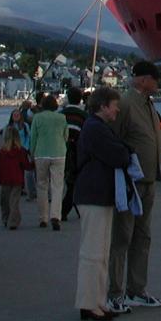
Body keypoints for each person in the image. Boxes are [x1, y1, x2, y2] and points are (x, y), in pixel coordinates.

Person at [107, 62, 161, 313]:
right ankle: (114, 293)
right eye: (154, 79)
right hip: (131, 181)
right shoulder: (126, 104)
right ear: (142, 80)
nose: (158, 83)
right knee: (122, 236)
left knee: (143, 237)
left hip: (149, 181)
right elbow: (113, 138)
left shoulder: (149, 104)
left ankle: (136, 290)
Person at [74, 86, 130, 321]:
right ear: (103, 106)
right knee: (93, 252)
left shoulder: (96, 127)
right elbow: (120, 155)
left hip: (100, 196)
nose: (117, 109)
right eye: (115, 105)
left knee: (100, 252)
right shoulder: (96, 129)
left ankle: (97, 300)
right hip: (94, 196)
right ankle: (89, 303)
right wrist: (125, 152)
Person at [30, 94, 69, 231]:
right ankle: (55, 216)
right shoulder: (62, 118)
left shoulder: (37, 118)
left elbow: (33, 137)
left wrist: (31, 152)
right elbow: (66, 136)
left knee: (41, 186)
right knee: (57, 186)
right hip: (59, 153)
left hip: (41, 153)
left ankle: (43, 218)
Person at [0, 125, 33, 230]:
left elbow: (1, 167)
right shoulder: (21, 150)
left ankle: (5, 218)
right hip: (17, 179)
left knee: (5, 201)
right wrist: (34, 164)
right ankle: (13, 221)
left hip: (5, 179)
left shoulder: (3, 151)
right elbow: (25, 165)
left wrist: (0, 178)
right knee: (14, 201)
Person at [62, 86, 87, 221]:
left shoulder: (61, 114)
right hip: (78, 152)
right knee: (75, 183)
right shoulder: (84, 116)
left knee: (69, 182)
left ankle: (67, 209)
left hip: (63, 150)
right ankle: (67, 209)